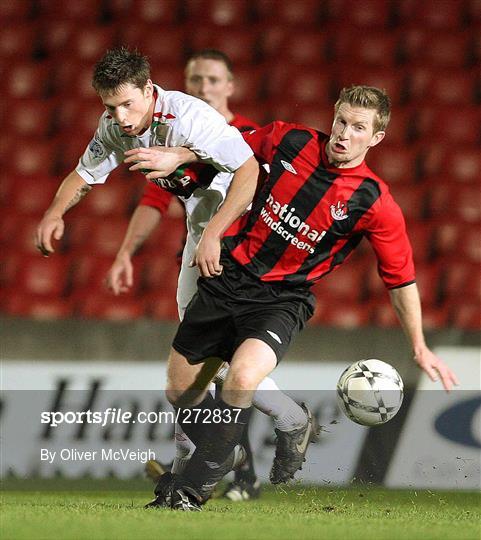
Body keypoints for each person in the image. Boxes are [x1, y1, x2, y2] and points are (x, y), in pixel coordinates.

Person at [145, 85, 459, 511]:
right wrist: (180, 156)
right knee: (180, 391)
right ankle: (227, 450)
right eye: (342, 122)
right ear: (333, 116)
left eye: (359, 128)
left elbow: (400, 280)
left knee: (241, 378)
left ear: (377, 137)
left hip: (282, 300)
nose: (344, 135)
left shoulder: (374, 201)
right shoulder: (288, 139)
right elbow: (227, 148)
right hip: (229, 278)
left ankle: (193, 488)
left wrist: (419, 346)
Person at [35, 47, 321, 498]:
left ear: (150, 90)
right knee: (189, 370)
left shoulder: (191, 117)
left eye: (128, 103)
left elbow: (247, 170)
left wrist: (187, 171)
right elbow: (83, 174)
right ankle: (275, 425)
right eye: (110, 106)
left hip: (239, 236)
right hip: (199, 236)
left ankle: (206, 460)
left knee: (217, 358)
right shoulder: (114, 126)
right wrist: (54, 212)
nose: (120, 116)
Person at [104, 49, 264, 501]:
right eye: (195, 78)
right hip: (199, 253)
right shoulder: (170, 130)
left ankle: (232, 469)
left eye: (213, 79)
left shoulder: (249, 135)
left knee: (229, 369)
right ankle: (206, 466)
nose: (203, 87)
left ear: (230, 86)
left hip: (241, 260)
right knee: (203, 370)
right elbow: (154, 202)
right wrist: (125, 253)